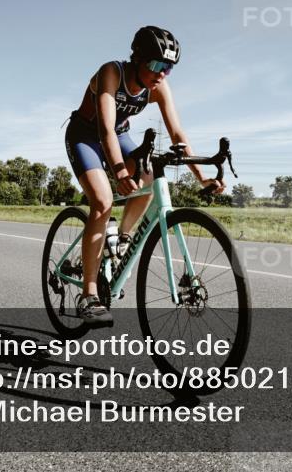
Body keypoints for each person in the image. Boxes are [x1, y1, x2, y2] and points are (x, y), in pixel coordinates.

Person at [64, 26, 225, 326]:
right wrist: (119, 171)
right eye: (156, 64)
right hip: (86, 135)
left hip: (119, 135)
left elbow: (177, 134)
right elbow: (105, 129)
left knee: (149, 178)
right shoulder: (111, 73)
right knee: (102, 201)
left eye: (169, 67)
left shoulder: (159, 87)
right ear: (137, 58)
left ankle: (122, 238)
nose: (162, 73)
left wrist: (201, 177)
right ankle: (89, 295)